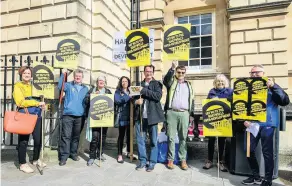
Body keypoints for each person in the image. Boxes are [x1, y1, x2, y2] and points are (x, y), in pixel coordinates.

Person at [241, 65, 290, 186]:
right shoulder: (248, 87)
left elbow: (285, 101)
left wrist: (274, 87)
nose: (253, 75)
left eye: (256, 72)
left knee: (267, 153)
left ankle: (267, 179)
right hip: (252, 124)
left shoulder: (271, 86)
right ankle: (256, 176)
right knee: (248, 150)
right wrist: (244, 119)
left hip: (268, 124)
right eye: (251, 73)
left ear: (263, 73)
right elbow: (242, 104)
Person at [13, 66, 46, 173]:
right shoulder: (18, 86)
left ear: (31, 75)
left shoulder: (35, 86)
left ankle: (35, 160)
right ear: (21, 75)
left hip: (37, 115)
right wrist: (36, 103)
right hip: (25, 116)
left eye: (29, 73)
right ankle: (22, 164)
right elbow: (20, 102)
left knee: (38, 139)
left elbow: (41, 100)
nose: (27, 75)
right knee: (23, 141)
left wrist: (44, 106)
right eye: (24, 73)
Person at [163, 61, 194, 170]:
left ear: (185, 73)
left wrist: (191, 114)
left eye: (182, 72)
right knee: (171, 137)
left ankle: (183, 160)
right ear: (176, 73)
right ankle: (170, 160)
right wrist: (171, 68)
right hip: (172, 112)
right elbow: (165, 80)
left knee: (183, 138)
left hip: (184, 113)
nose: (180, 74)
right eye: (179, 72)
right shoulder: (171, 82)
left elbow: (192, 100)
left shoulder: (189, 85)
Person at [133, 65, 165, 172]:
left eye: (150, 71)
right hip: (140, 117)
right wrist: (136, 102)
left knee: (153, 141)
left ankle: (152, 162)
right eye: (147, 71)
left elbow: (157, 96)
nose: (149, 73)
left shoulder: (157, 84)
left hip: (153, 117)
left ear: (153, 72)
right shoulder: (138, 85)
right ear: (144, 72)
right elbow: (132, 98)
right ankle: (142, 161)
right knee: (140, 140)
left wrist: (144, 91)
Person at [202, 74, 233, 172]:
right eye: (218, 81)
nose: (220, 83)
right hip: (213, 120)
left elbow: (233, 102)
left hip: (224, 120)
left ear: (225, 82)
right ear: (215, 83)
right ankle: (209, 160)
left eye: (222, 81)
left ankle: (220, 162)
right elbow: (207, 104)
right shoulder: (212, 92)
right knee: (211, 141)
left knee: (221, 142)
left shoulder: (230, 92)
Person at [58, 69, 89, 166]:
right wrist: (63, 74)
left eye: (80, 76)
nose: (78, 77)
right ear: (74, 77)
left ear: (82, 78)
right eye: (76, 76)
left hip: (80, 116)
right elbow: (60, 86)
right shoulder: (68, 85)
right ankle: (64, 157)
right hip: (68, 114)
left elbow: (87, 101)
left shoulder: (86, 88)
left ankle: (73, 153)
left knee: (76, 137)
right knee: (66, 136)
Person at [85, 76, 112, 166]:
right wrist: (92, 96)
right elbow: (85, 101)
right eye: (99, 80)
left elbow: (112, 103)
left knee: (103, 137)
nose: (101, 82)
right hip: (95, 118)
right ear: (97, 82)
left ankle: (100, 154)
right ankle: (92, 157)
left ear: (105, 82)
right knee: (95, 137)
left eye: (103, 81)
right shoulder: (92, 90)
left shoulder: (108, 91)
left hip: (105, 118)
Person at [114, 76, 133, 163]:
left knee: (130, 136)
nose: (124, 83)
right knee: (121, 136)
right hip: (121, 117)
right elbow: (118, 100)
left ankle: (129, 152)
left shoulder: (131, 91)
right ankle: (119, 154)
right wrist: (128, 97)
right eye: (123, 81)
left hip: (131, 117)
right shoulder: (118, 91)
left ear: (128, 82)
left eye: (126, 81)